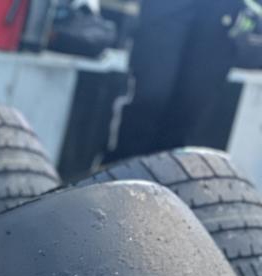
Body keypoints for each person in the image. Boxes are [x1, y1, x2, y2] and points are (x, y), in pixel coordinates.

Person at [111, 0, 261, 160]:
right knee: (150, 95)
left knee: (192, 104)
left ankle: (167, 176)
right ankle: (118, 173)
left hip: (227, 10)